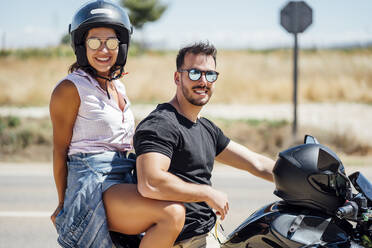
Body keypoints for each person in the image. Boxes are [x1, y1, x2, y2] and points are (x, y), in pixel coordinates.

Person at [49, 1, 185, 247]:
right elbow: (60, 151)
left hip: (123, 176)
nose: (103, 49)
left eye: (111, 42)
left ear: (121, 46)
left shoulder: (118, 87)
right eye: (94, 42)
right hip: (93, 183)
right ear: (81, 46)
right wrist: (63, 204)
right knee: (172, 214)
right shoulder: (69, 89)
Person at [133, 41, 276, 247]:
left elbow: (257, 164)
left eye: (210, 75)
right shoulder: (161, 124)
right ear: (177, 77)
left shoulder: (206, 128)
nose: (203, 81)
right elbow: (151, 182)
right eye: (194, 73)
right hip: (183, 240)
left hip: (210, 232)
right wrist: (206, 193)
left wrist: (304, 178)